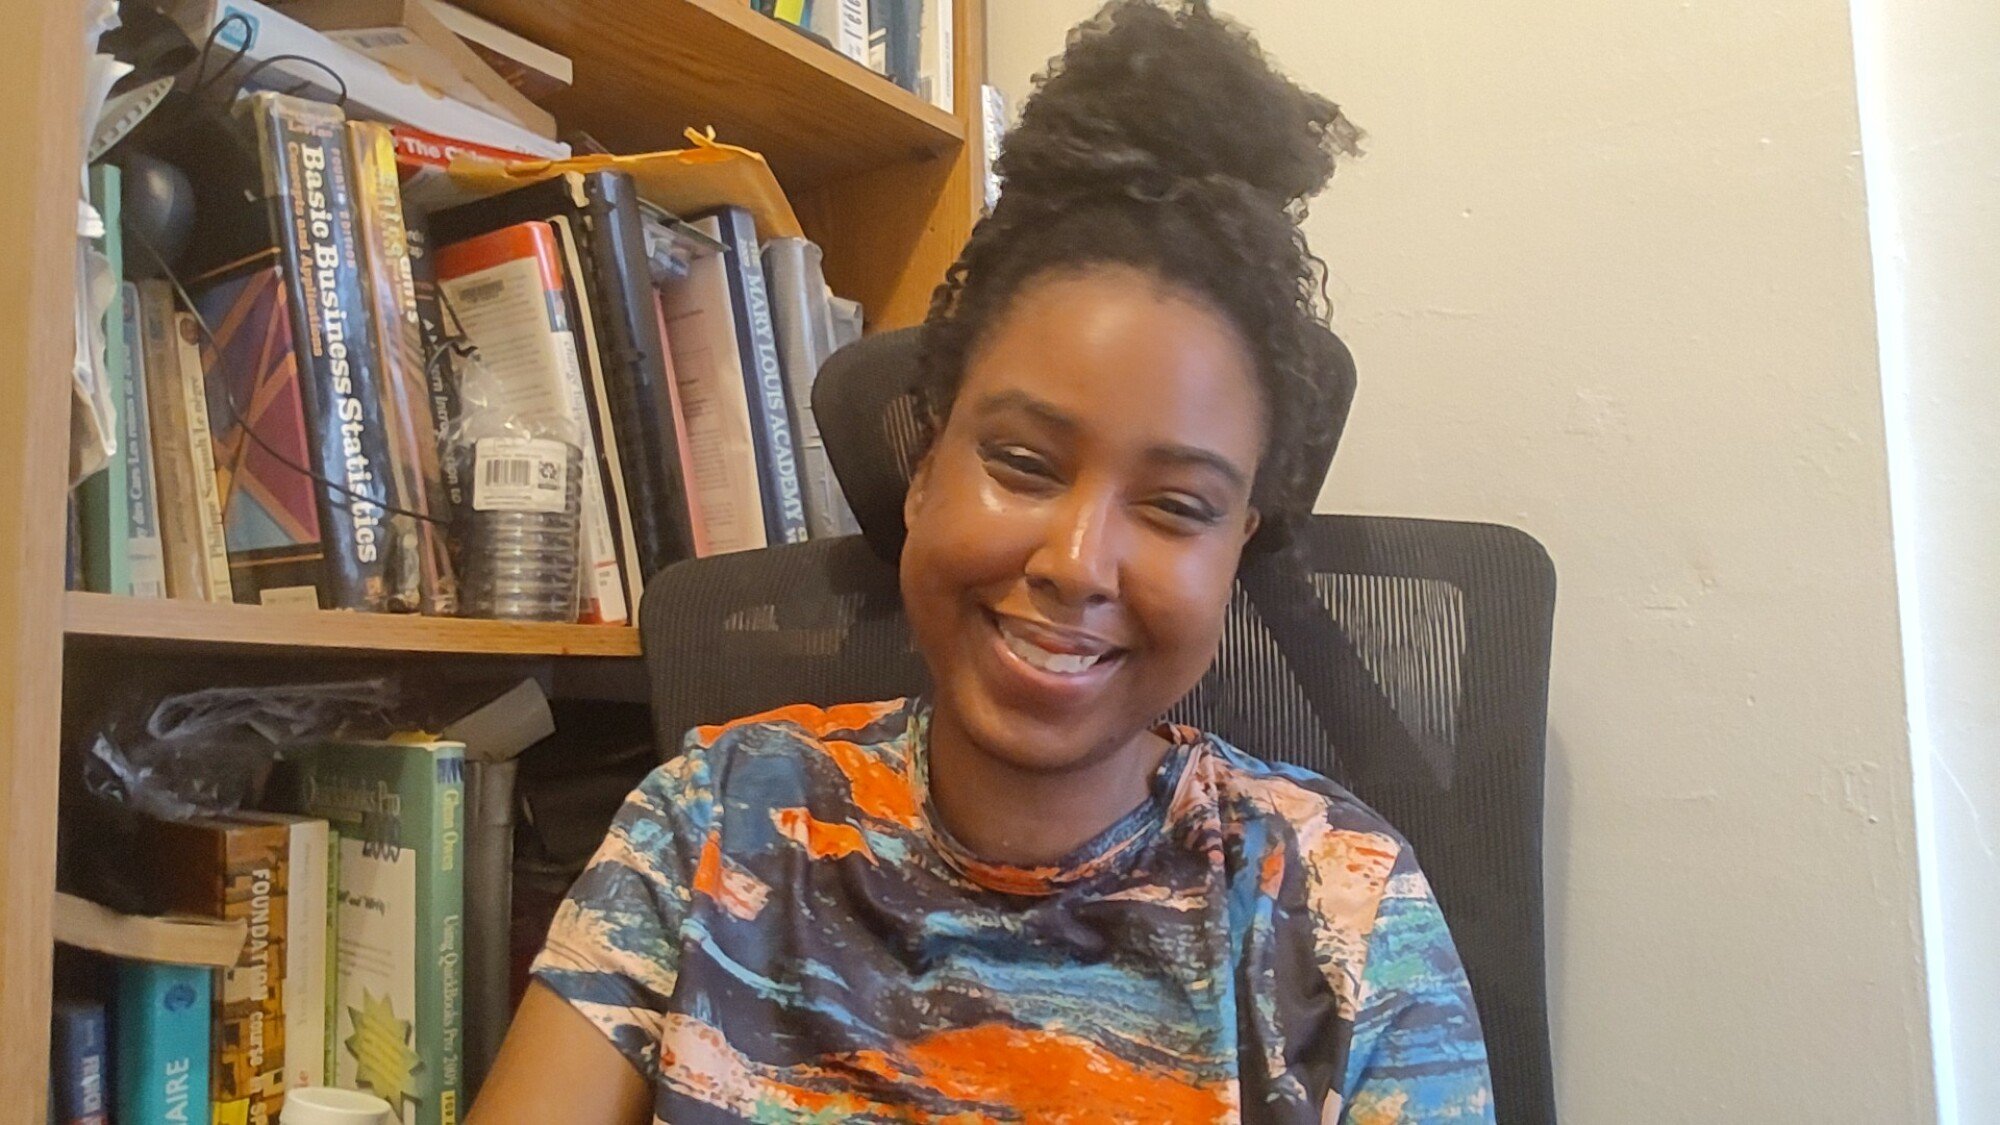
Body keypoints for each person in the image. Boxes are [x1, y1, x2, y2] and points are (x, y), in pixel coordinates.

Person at [471, 2, 1493, 1121]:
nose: (1074, 560)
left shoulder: (1338, 900)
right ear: (921, 466)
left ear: (1236, 545)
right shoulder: (711, 823)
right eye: (1020, 460)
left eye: (1174, 504)